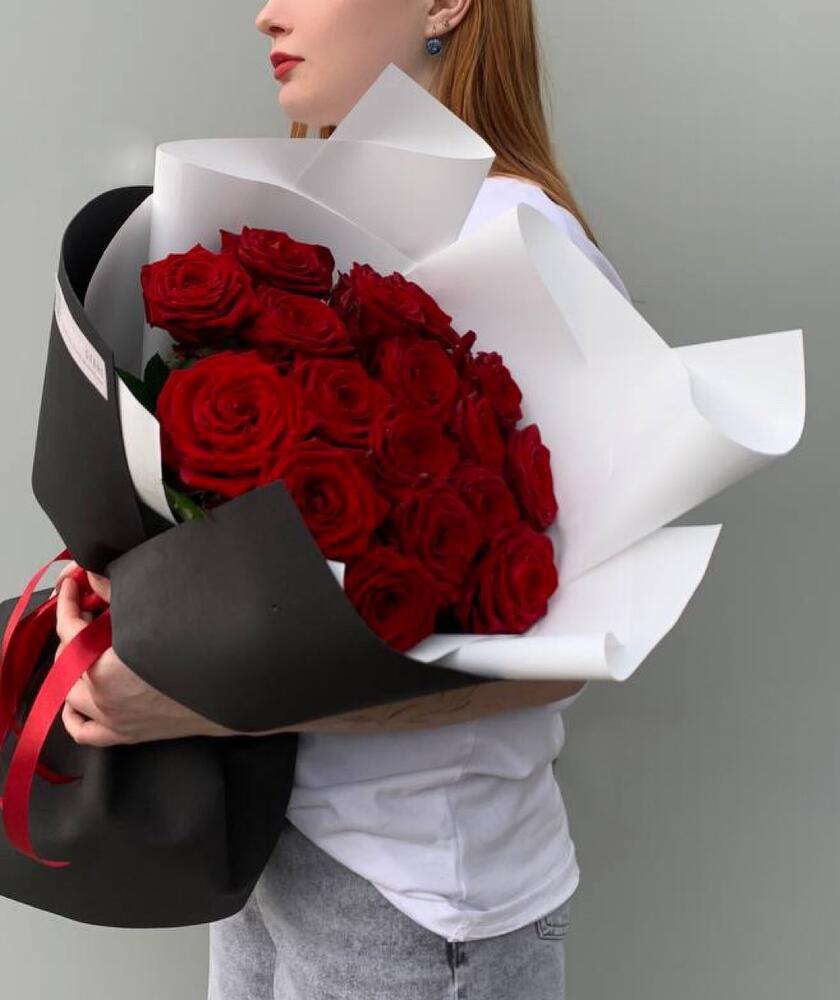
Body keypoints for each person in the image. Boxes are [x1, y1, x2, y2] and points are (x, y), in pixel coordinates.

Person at [52, 2, 634, 996]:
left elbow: (562, 661)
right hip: (272, 851)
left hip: (417, 903)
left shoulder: (522, 239)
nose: (265, 13)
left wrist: (212, 707)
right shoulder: (325, 221)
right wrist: (142, 604)